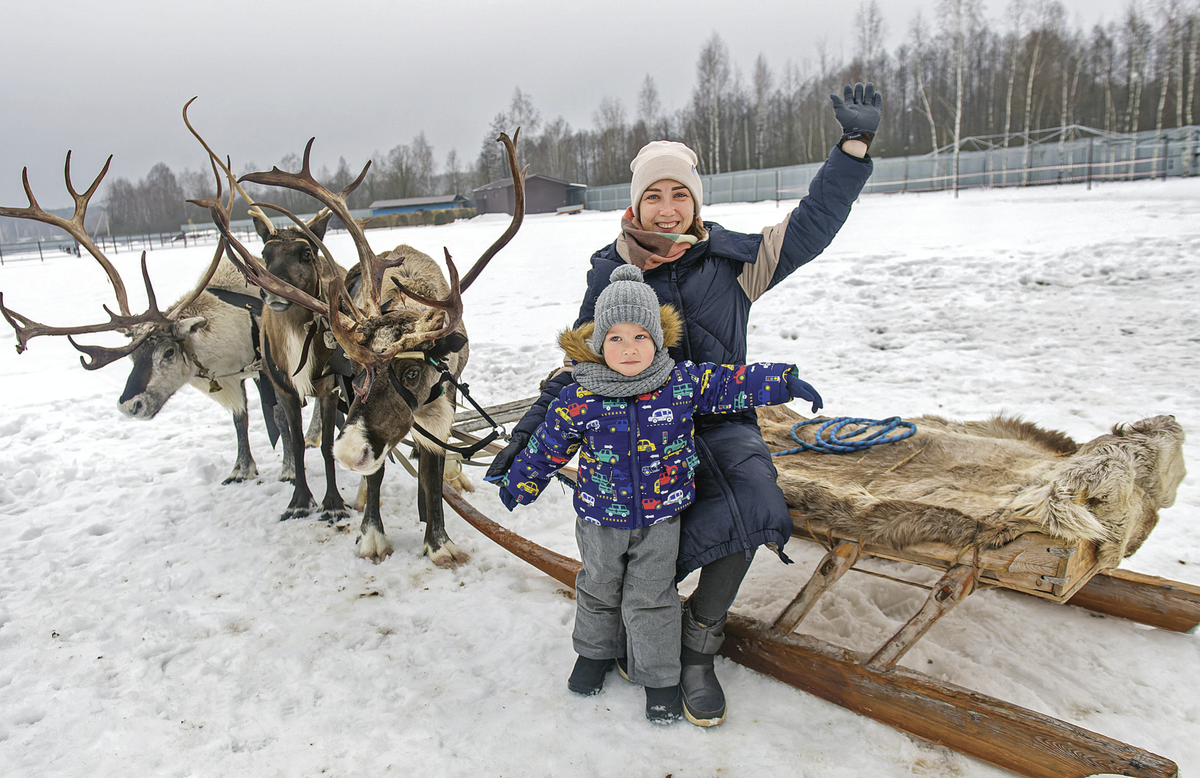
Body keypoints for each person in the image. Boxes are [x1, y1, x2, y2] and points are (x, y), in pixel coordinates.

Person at [487, 82, 882, 726]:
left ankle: (699, 641)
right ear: (635, 204)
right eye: (654, 195)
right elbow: (581, 368)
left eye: (679, 195)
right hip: (632, 426)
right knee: (629, 528)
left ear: (695, 202)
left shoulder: (735, 262)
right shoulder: (611, 274)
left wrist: (852, 149)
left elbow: (812, 224)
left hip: (718, 416)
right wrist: (524, 443)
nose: (667, 209)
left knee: (753, 499)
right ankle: (633, 620)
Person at [494, 265, 822, 724]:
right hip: (598, 519)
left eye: (640, 337)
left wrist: (782, 380)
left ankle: (660, 676)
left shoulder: (679, 382)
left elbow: (730, 382)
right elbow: (549, 445)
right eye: (616, 339)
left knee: (653, 597)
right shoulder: (579, 395)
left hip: (661, 519)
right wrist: (520, 482)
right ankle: (594, 653)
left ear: (659, 339)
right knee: (598, 587)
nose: (629, 349)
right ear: (597, 343)